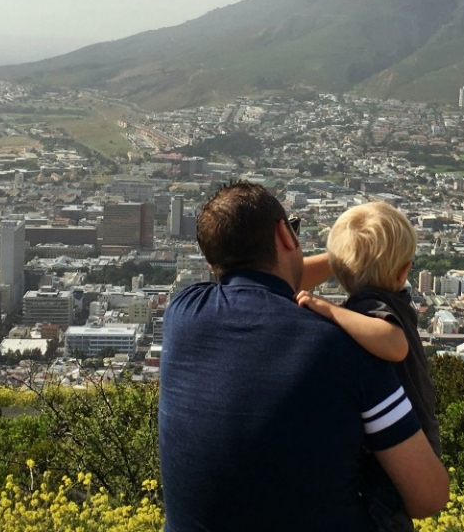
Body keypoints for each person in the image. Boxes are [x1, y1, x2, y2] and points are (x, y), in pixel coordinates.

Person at [158, 182, 448, 531]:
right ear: (284, 234)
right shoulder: (348, 349)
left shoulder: (182, 313)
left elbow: (270, 282)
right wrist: (367, 257)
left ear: (211, 262)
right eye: (294, 228)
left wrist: (350, 256)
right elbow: (428, 498)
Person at [296, 202, 441, 531]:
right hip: (410, 438)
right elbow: (394, 341)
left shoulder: (369, 304)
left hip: (404, 445)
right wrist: (336, 289)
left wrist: (330, 306)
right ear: (403, 272)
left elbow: (393, 342)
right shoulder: (383, 300)